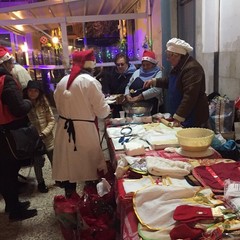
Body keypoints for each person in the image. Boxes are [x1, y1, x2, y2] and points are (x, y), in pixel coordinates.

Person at [52, 49, 110, 198]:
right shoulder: (90, 82)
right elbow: (102, 111)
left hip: (64, 129)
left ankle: (70, 199)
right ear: (91, 65)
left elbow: (58, 105)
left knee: (68, 163)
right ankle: (91, 199)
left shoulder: (62, 81)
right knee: (89, 165)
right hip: (84, 130)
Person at [0, 46, 37, 221]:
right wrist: (29, 102)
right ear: (6, 63)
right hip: (6, 133)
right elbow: (18, 109)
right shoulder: (6, 80)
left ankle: (11, 204)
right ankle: (15, 211)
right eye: (11, 62)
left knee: (4, 172)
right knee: (9, 171)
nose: (12, 65)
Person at [143, 38, 209, 128]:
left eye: (169, 56)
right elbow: (171, 81)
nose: (168, 59)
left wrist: (178, 117)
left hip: (193, 116)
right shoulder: (179, 66)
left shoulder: (192, 69)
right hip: (184, 115)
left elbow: (190, 96)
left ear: (177, 55)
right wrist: (154, 81)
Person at [24, 80, 55, 193]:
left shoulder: (44, 103)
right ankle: (41, 183)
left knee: (54, 160)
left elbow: (51, 120)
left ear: (39, 92)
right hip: (34, 141)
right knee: (37, 163)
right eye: (30, 91)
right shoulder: (24, 105)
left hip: (47, 138)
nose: (32, 93)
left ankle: (59, 179)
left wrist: (44, 133)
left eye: (35, 91)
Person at [124, 50, 163, 115]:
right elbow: (128, 85)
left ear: (153, 64)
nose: (145, 67)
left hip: (151, 108)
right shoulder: (137, 72)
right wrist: (127, 94)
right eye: (143, 65)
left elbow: (156, 90)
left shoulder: (158, 73)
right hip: (135, 108)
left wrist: (140, 97)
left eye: (148, 65)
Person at [101, 53, 136, 117]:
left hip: (130, 107)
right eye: (118, 65)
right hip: (114, 107)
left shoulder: (133, 74)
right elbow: (106, 90)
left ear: (127, 63)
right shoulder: (110, 75)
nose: (120, 66)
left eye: (122, 64)